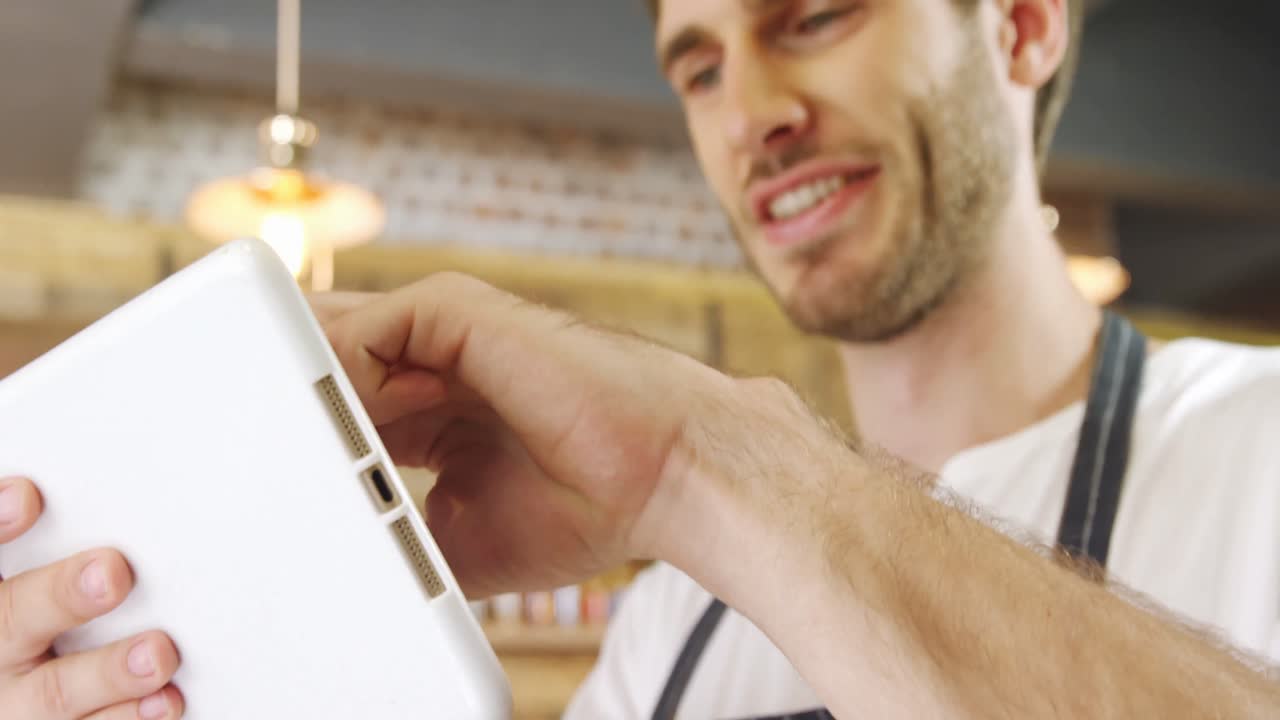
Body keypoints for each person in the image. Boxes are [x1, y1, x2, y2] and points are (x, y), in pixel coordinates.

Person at [2, 0, 1279, 718]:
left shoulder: (1254, 444)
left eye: (814, 17)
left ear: (1019, 24)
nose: (752, 116)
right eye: (700, 66)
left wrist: (701, 464)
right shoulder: (677, 598)